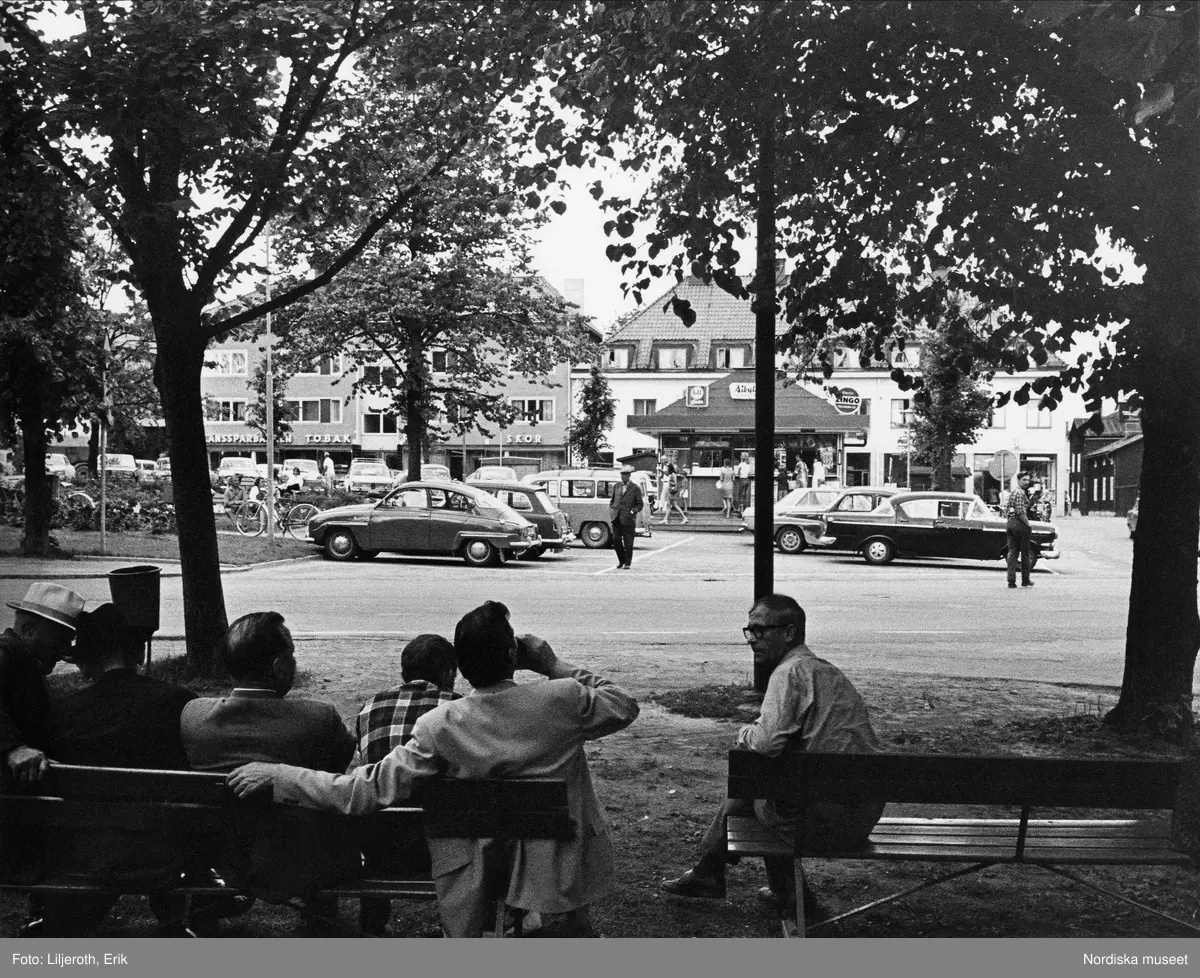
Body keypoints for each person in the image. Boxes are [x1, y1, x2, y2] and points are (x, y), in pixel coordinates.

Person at [228, 600, 640, 938]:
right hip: (557, 870)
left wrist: (283, 774)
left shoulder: (440, 725)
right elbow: (623, 703)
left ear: (461, 666)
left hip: (475, 872)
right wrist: (553, 663)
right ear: (514, 655)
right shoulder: (563, 699)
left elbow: (363, 790)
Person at [660, 594, 884, 918]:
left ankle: (711, 871)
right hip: (861, 816)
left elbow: (764, 744)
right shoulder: (825, 672)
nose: (751, 639)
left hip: (826, 823)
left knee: (754, 784)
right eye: (748, 631)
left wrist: (744, 733)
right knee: (768, 786)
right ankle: (781, 891)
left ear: (789, 632)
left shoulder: (789, 673)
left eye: (760, 630)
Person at [181, 612, 357, 933]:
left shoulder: (194, 716)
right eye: (291, 653)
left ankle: (202, 913)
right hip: (303, 859)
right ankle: (321, 919)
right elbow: (336, 775)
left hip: (220, 858)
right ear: (278, 666)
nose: (294, 661)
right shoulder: (319, 719)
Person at [38, 604, 199, 937]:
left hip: (86, 852)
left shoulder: (65, 713)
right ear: (137, 652)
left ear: (87, 658)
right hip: (164, 853)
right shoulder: (178, 702)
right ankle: (173, 918)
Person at [353, 634, 462, 935]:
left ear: (404, 674)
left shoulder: (370, 707)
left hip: (379, 848)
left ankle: (372, 922)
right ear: (448, 673)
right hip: (443, 848)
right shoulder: (461, 709)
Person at [1, 582, 85, 783]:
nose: (64, 652)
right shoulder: (7, 652)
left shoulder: (24, 662)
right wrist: (12, 748)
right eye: (59, 641)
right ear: (29, 631)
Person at [608, 464, 644, 570]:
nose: (623, 477)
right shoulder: (617, 486)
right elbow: (613, 500)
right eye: (622, 475)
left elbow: (639, 504)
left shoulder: (635, 488)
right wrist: (612, 509)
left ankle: (628, 562)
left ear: (629, 476)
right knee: (616, 540)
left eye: (625, 475)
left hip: (628, 519)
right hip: (616, 517)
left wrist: (633, 512)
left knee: (628, 542)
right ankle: (621, 560)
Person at [1006, 471, 1035, 589]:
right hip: (1020, 524)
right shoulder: (1020, 493)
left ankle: (1011, 580)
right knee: (1025, 553)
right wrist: (1028, 525)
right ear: (1018, 480)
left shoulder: (1013, 492)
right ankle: (1025, 580)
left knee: (1012, 552)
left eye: (1028, 480)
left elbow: (1009, 508)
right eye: (1024, 480)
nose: (1026, 482)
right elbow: (1020, 511)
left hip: (1010, 523)